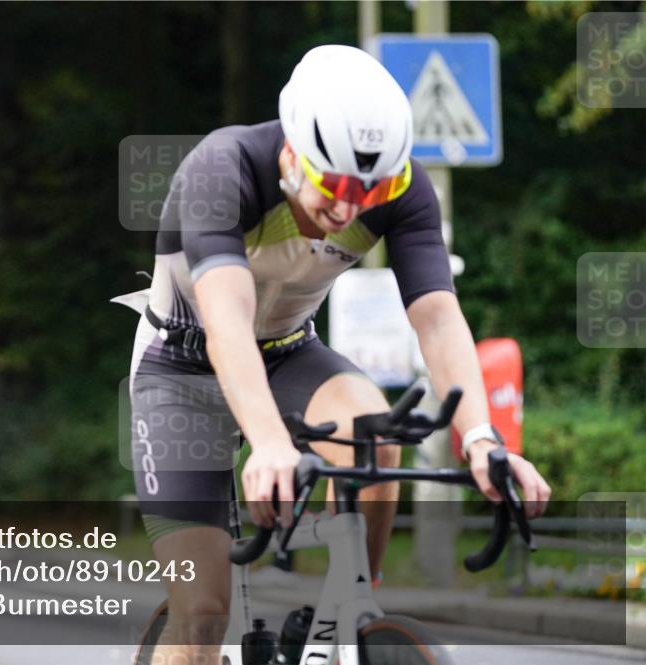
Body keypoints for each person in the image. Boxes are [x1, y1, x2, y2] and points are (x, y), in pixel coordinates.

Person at [127, 45, 551, 664]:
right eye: (335, 186)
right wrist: (270, 443)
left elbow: (437, 317)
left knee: (376, 435)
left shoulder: (403, 191)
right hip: (182, 367)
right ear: (291, 155)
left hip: (291, 353)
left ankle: (347, 613)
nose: (351, 208)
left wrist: (484, 440)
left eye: (375, 189)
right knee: (204, 611)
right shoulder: (222, 168)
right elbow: (227, 324)